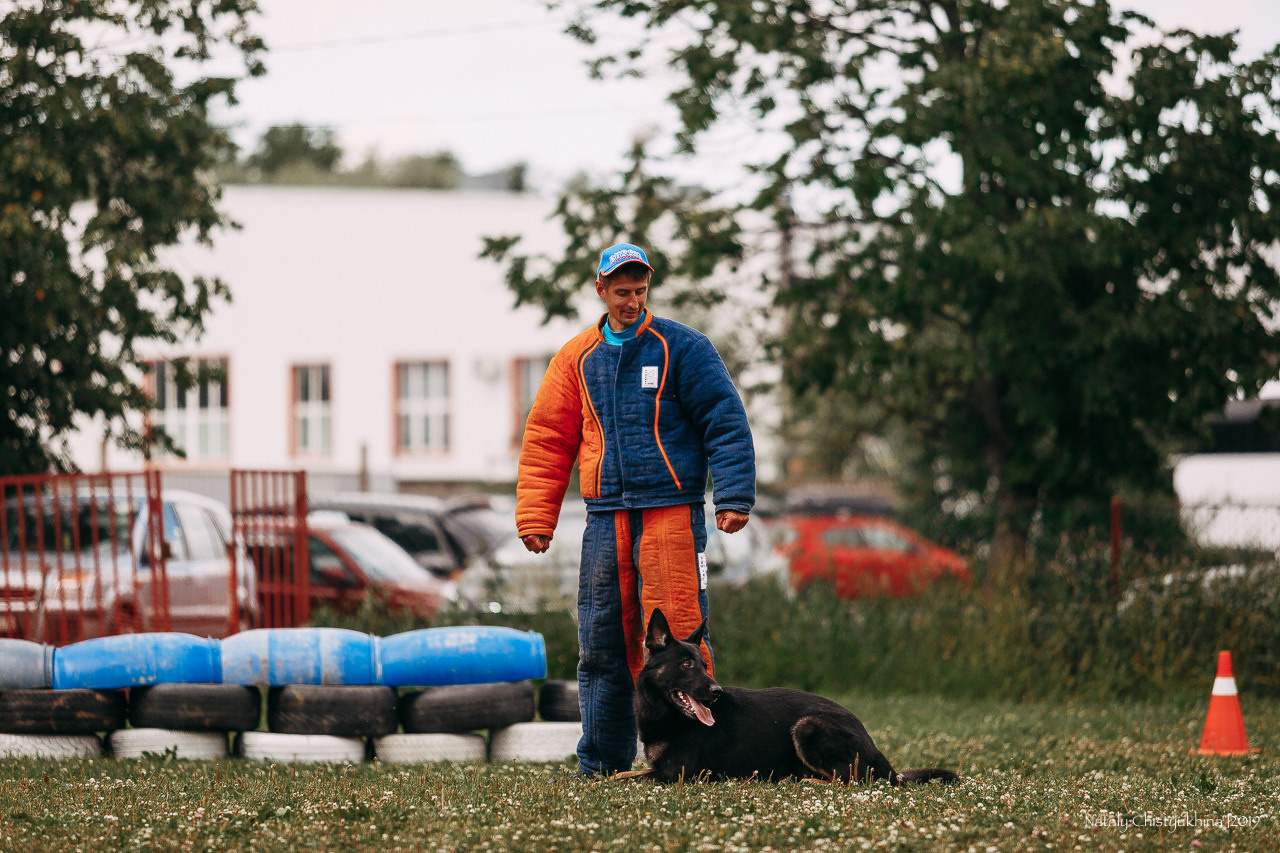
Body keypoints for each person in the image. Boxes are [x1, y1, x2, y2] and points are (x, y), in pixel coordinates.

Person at [516, 242, 756, 777]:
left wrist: (734, 495)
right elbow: (547, 439)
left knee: (684, 643)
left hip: (671, 513)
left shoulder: (683, 347)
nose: (631, 301)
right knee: (602, 644)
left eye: (640, 291)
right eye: (621, 292)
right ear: (600, 290)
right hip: (605, 518)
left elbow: (725, 419)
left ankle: (700, 757)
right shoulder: (575, 358)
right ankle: (602, 761)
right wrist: (537, 515)